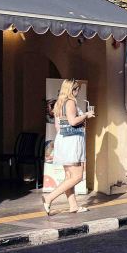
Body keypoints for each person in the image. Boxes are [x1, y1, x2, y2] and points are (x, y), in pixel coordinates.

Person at [42, 79, 94, 214]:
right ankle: (49, 198)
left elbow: (58, 126)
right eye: (77, 89)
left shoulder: (59, 103)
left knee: (69, 177)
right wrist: (86, 115)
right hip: (72, 141)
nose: (78, 92)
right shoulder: (70, 102)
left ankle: (73, 206)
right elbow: (72, 121)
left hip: (63, 140)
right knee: (77, 177)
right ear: (72, 90)